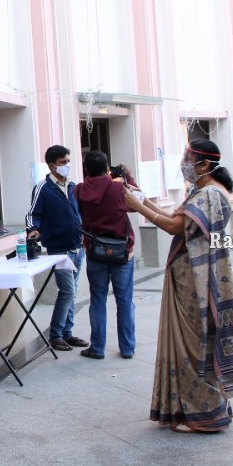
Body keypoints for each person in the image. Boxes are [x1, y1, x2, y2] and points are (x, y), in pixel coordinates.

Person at [123, 140, 233, 432]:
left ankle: (205, 412)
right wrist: (143, 200)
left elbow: (174, 227)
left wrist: (138, 208)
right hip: (190, 274)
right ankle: (191, 408)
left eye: (188, 158)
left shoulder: (210, 193)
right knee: (192, 341)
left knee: (193, 344)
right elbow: (176, 217)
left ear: (205, 165)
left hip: (197, 278)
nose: (184, 163)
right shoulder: (203, 190)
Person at [75, 151, 138, 359]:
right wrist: (128, 177)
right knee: (125, 301)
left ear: (86, 168)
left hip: (95, 251)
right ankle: (127, 347)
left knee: (98, 300)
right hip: (121, 252)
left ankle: (97, 347)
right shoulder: (119, 188)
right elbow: (139, 202)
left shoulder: (79, 190)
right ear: (107, 169)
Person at [26, 145, 85, 351]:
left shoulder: (72, 186)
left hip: (77, 247)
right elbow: (33, 213)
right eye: (63, 163)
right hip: (59, 249)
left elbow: (79, 212)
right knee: (67, 291)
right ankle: (55, 335)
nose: (67, 165)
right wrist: (33, 229)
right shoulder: (43, 187)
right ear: (52, 165)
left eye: (68, 161)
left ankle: (67, 333)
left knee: (73, 291)